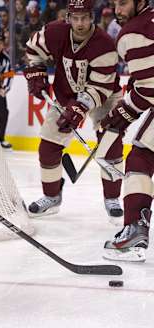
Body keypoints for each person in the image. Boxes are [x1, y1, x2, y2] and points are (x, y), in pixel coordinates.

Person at [23, 0, 124, 221]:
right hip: (66, 93)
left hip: (105, 96)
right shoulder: (54, 31)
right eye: (75, 18)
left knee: (111, 143)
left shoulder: (105, 44)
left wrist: (79, 108)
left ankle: (112, 197)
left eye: (85, 18)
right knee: (48, 147)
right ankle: (51, 197)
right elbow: (32, 49)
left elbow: (100, 86)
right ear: (68, 17)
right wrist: (36, 71)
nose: (80, 23)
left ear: (92, 17)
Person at [102, 0, 153, 262]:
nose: (117, 10)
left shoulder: (134, 30)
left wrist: (120, 114)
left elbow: (149, 88)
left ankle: (134, 230)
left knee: (141, 156)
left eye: (123, 3)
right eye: (114, 3)